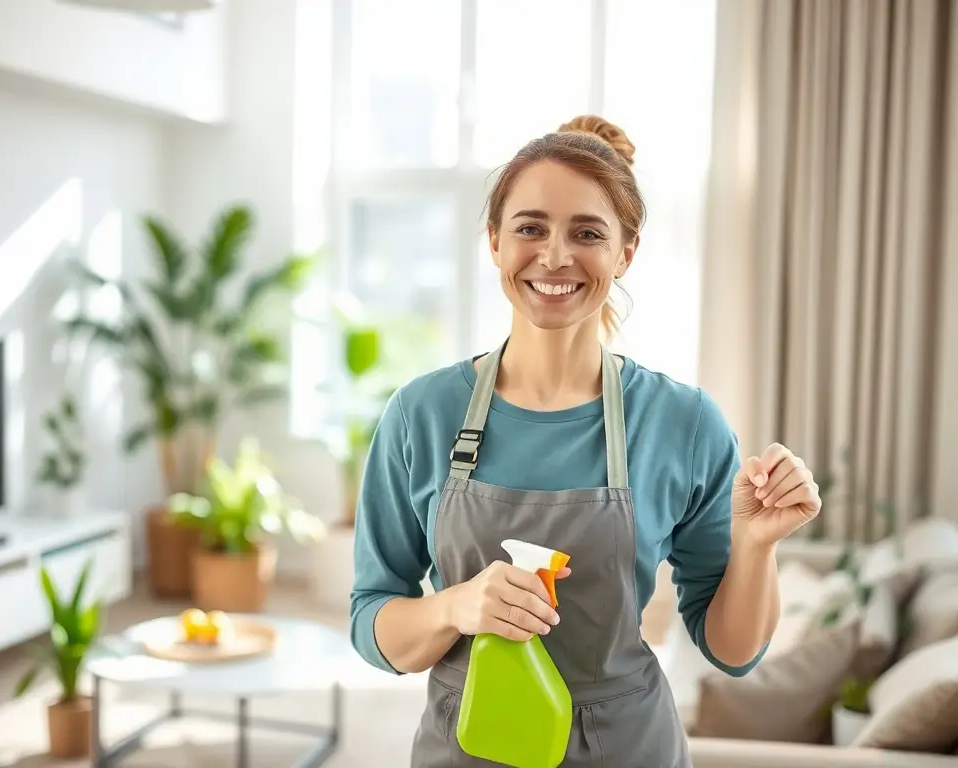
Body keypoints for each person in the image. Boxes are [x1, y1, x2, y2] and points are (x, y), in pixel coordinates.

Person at [349, 115, 822, 767]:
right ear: (493, 240)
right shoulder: (422, 414)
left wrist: (756, 544)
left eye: (587, 233)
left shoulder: (684, 422)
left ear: (625, 251)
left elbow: (733, 652)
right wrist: (455, 607)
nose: (554, 257)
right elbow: (372, 621)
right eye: (530, 228)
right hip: (469, 747)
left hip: (629, 748)